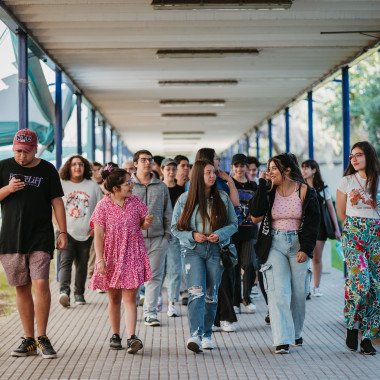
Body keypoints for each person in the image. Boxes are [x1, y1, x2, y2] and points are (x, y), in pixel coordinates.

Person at [0, 129, 67, 359]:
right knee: (21, 287)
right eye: (18, 151)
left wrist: (63, 231)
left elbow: (57, 202)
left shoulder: (47, 170)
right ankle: (28, 339)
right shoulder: (3, 167)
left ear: (36, 149)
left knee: (41, 285)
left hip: (40, 236)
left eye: (26, 152)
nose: (21, 156)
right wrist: (8, 189)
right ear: (13, 148)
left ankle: (43, 336)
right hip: (11, 238)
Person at [250, 153, 320, 354]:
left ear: (287, 170)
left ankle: (295, 333)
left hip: (298, 244)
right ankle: (281, 339)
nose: (269, 172)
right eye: (269, 168)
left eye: (273, 168)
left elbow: (314, 222)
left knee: (299, 294)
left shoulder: (305, 191)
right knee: (278, 291)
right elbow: (255, 216)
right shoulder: (269, 189)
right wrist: (262, 187)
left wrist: (306, 249)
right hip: (274, 243)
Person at [171, 159, 238, 353]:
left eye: (213, 172)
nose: (212, 176)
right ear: (199, 176)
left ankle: (208, 335)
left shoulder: (223, 197)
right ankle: (196, 335)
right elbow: (174, 228)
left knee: (211, 295)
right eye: (208, 172)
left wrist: (221, 235)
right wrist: (192, 235)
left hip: (216, 250)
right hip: (192, 251)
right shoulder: (185, 199)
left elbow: (234, 224)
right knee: (196, 292)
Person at [88, 166, 152, 353]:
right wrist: (100, 260)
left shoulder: (136, 202)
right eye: (128, 183)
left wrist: (146, 223)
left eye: (131, 182)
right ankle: (116, 335)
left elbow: (141, 224)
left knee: (130, 297)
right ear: (115, 188)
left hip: (132, 253)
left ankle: (132, 337)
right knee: (114, 297)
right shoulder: (103, 206)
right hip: (111, 256)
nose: (132, 186)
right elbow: (98, 236)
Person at [336, 141, 380, 356]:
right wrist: (354, 231)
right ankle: (352, 325)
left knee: (376, 288)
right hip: (354, 234)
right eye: (351, 156)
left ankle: (368, 337)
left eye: (358, 155)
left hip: (377, 235)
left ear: (369, 156)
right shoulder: (346, 181)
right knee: (360, 283)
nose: (353, 159)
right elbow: (341, 213)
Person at [132, 150, 172, 326]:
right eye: (143, 160)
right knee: (133, 277)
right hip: (134, 239)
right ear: (135, 164)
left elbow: (167, 211)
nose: (147, 163)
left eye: (150, 160)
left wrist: (166, 236)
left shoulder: (161, 186)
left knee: (154, 277)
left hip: (157, 238)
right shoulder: (128, 185)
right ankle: (131, 310)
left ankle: (150, 312)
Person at [57, 155, 103, 306]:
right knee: (65, 262)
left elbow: (100, 209)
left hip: (86, 233)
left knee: (82, 266)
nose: (78, 167)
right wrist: (58, 227)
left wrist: (93, 229)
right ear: (68, 167)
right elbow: (53, 207)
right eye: (74, 164)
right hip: (65, 232)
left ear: (85, 168)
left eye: (81, 165)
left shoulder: (93, 186)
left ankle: (79, 294)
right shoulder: (61, 184)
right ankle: (64, 292)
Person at [301, 159, 341, 296]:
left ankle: (316, 287)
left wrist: (336, 229)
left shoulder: (323, 188)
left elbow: (331, 208)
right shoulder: (300, 187)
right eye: (303, 168)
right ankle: (305, 287)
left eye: (307, 168)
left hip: (320, 227)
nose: (304, 171)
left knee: (316, 257)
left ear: (314, 170)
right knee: (304, 257)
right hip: (305, 226)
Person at [230, 154, 258, 315]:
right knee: (233, 266)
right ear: (232, 167)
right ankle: (235, 301)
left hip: (249, 230)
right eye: (237, 166)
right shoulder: (228, 184)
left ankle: (247, 297)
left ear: (246, 167)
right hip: (233, 232)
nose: (239, 169)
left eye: (242, 166)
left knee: (249, 264)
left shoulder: (253, 186)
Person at [161, 158, 184, 317]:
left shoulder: (182, 191)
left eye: (173, 169)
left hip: (175, 234)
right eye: (168, 169)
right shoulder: (157, 189)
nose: (171, 172)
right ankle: (156, 299)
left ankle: (172, 302)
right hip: (159, 234)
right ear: (162, 170)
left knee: (174, 270)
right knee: (157, 270)